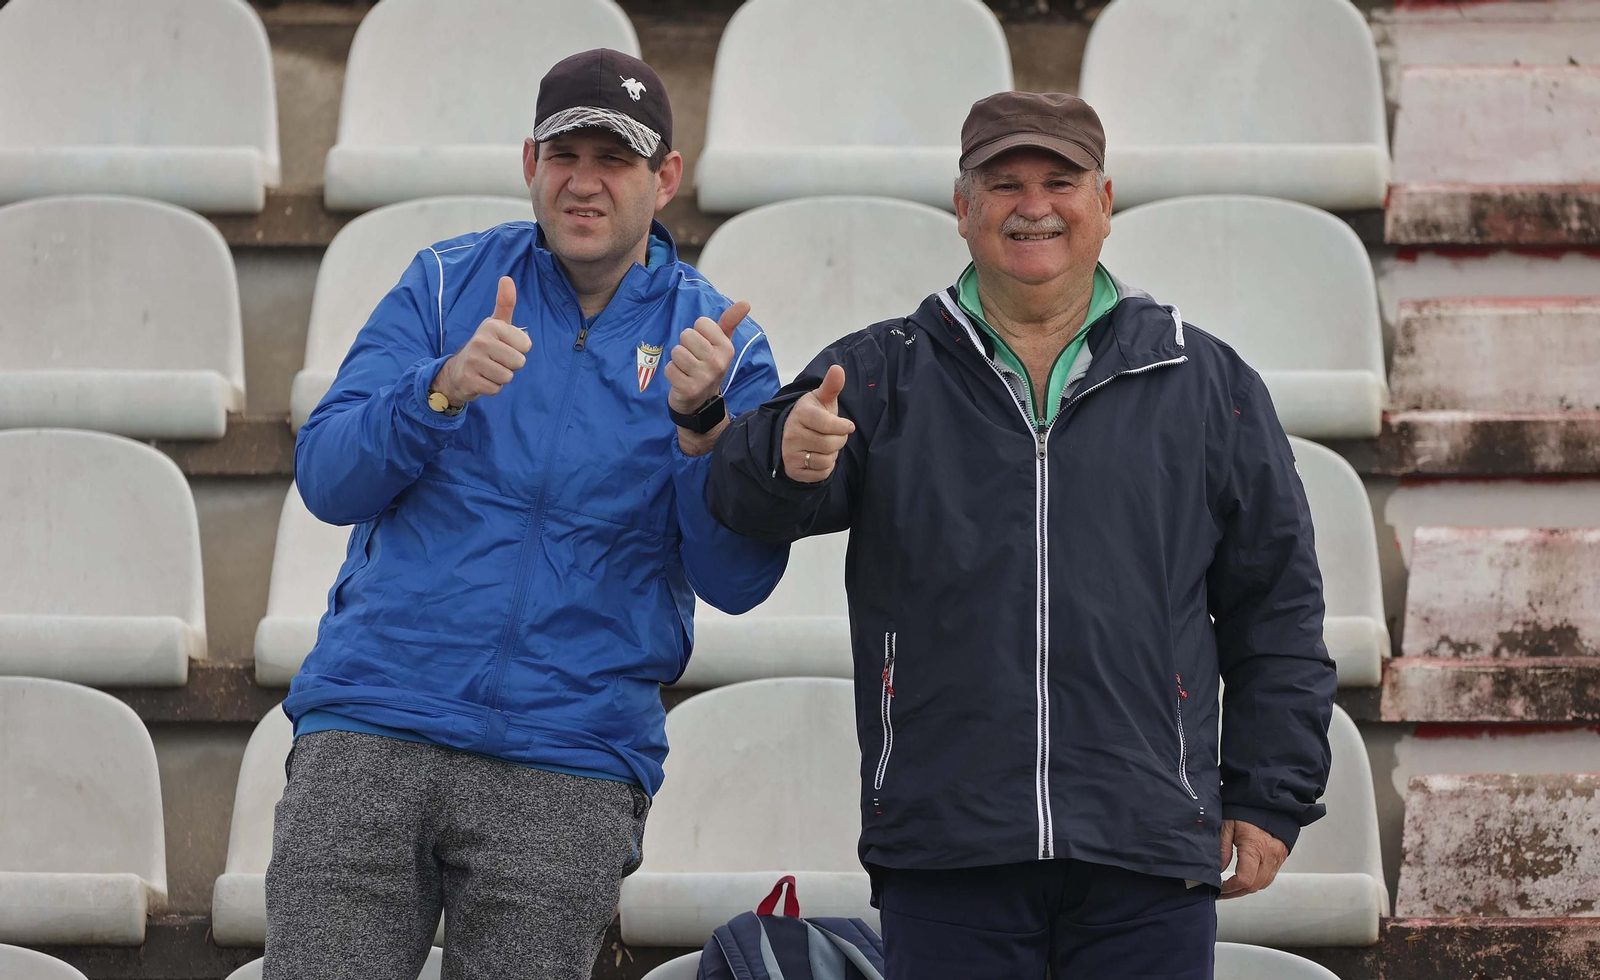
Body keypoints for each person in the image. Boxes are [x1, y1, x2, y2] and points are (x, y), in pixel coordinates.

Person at [707, 91, 1337, 980]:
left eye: (1060, 180)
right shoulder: (884, 370)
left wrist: (1271, 793)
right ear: (963, 209)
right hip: (945, 847)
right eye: (1002, 183)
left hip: (1149, 843)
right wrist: (783, 453)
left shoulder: (1207, 383)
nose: (1032, 204)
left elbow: (1277, 606)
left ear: (1106, 203)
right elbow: (742, 505)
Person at [266, 48, 786, 980]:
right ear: (528, 162)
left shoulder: (720, 345)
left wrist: (703, 428)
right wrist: (437, 391)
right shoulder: (441, 283)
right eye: (565, 155)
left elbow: (740, 582)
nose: (584, 183)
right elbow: (327, 478)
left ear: (665, 178)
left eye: (615, 159)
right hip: (373, 723)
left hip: (571, 758)